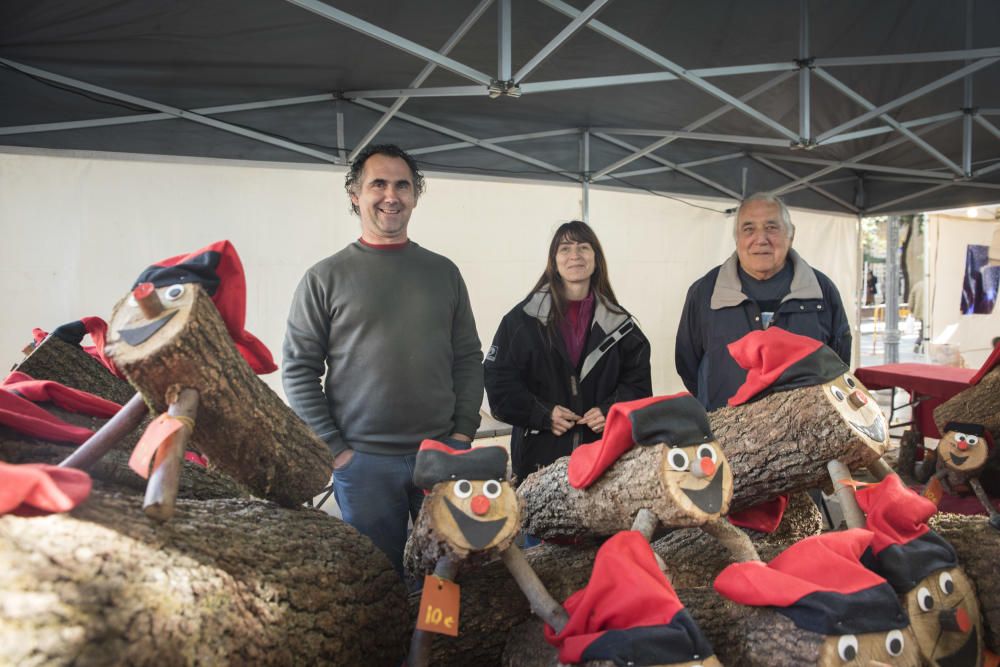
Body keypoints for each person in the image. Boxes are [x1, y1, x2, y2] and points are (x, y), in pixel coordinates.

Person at [282, 144, 484, 576]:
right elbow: (298, 370)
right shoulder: (325, 278)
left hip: (441, 457)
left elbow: (468, 357)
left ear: (414, 196)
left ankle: (442, 646)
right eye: (378, 184)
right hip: (364, 464)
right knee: (378, 582)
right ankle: (391, 646)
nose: (391, 195)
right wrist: (336, 450)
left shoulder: (443, 272)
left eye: (402, 185)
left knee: (450, 574)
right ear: (355, 194)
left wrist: (463, 433)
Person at [484, 220, 652, 483]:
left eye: (583, 247)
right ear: (554, 260)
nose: (575, 255)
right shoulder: (521, 321)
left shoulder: (622, 326)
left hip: (603, 459)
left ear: (596, 258)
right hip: (539, 462)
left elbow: (639, 386)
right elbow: (498, 383)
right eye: (565, 248)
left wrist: (611, 410)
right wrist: (543, 414)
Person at [675, 193, 851, 411]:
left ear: (791, 234)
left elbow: (839, 364)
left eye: (771, 228)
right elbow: (688, 365)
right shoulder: (705, 292)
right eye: (749, 229)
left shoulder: (821, 290)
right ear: (737, 237)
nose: (760, 239)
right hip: (726, 434)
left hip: (802, 435)